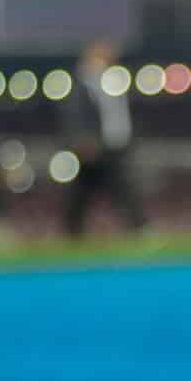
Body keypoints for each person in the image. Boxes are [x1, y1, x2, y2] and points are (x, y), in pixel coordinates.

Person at [57, 40, 147, 238]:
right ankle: (72, 232)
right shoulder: (80, 85)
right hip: (91, 148)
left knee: (124, 188)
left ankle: (138, 228)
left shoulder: (115, 81)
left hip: (116, 146)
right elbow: (74, 115)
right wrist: (81, 139)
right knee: (82, 193)